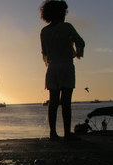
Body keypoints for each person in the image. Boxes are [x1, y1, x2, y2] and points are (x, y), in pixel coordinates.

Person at [40, 0, 85, 141]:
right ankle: (67, 133)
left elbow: (45, 52)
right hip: (66, 66)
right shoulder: (67, 27)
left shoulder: (44, 31)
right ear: (61, 14)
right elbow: (81, 42)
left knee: (53, 102)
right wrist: (78, 52)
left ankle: (52, 133)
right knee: (66, 102)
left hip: (52, 68)